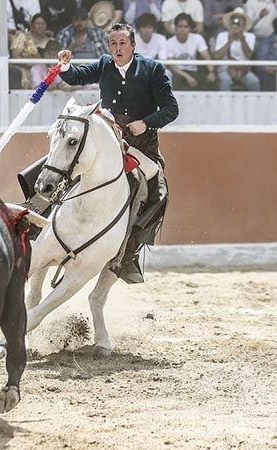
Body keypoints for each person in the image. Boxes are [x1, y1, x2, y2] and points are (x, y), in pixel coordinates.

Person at [57, 22, 179, 283]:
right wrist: (66, 65)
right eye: (113, 43)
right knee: (61, 161)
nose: (118, 48)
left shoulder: (153, 69)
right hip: (107, 141)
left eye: (123, 43)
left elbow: (171, 109)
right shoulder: (104, 64)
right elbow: (75, 77)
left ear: (133, 46)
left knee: (158, 193)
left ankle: (129, 251)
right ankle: (38, 213)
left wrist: (146, 122)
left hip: (141, 146)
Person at [213, 7, 260, 91]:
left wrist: (242, 38)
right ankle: (224, 104)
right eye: (234, 20)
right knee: (225, 80)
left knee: (254, 82)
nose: (236, 23)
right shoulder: (222, 35)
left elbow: (249, 55)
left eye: (239, 21)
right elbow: (217, 56)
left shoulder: (250, 36)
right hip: (225, 67)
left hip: (243, 68)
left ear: (244, 24)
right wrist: (229, 40)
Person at [166, 13, 216, 90]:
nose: (183, 29)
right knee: (176, 80)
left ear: (190, 28)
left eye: (186, 27)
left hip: (193, 72)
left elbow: (206, 56)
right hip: (178, 73)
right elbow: (171, 65)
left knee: (210, 80)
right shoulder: (169, 42)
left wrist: (211, 71)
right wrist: (187, 77)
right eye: (180, 26)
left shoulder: (197, 38)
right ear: (175, 28)